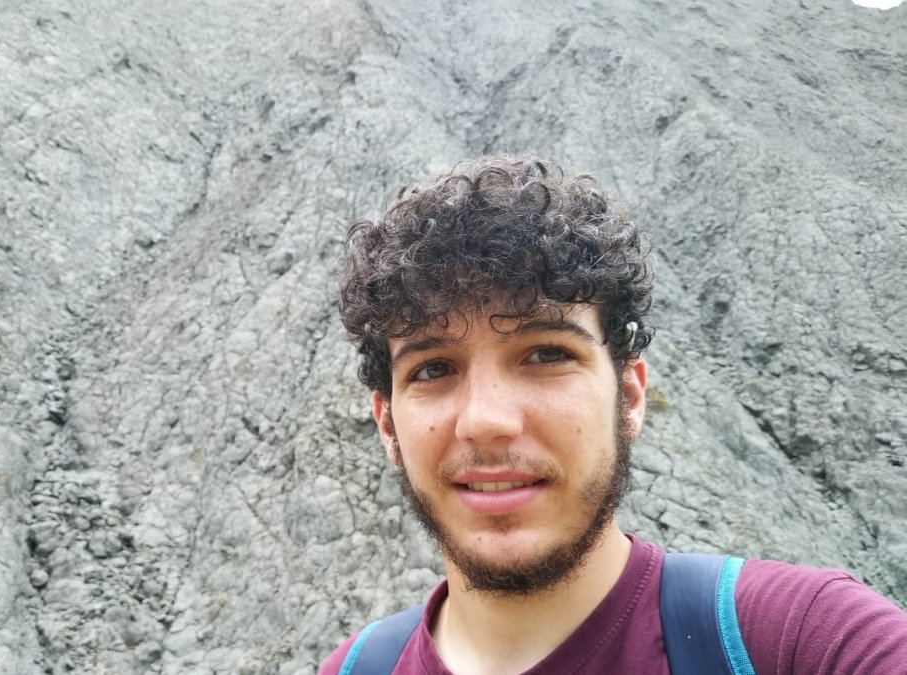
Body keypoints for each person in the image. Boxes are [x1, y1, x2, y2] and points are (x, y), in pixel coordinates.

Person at [320, 154, 907, 674]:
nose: (486, 420)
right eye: (432, 369)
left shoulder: (799, 638)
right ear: (389, 425)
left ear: (628, 396)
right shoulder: (355, 667)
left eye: (548, 354)